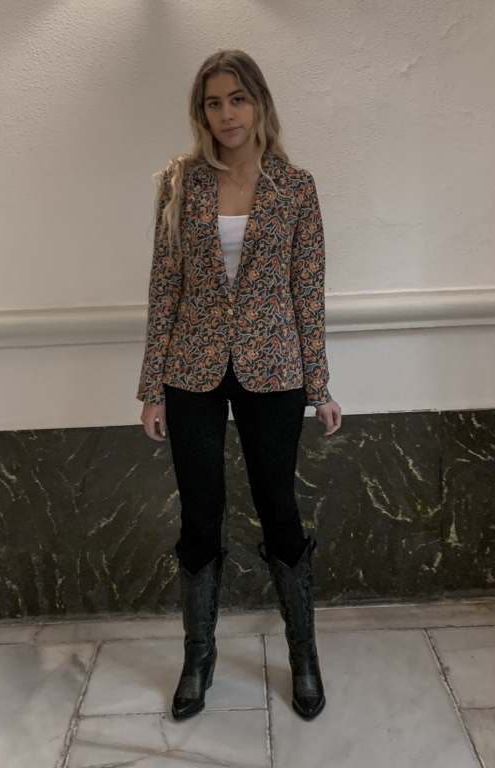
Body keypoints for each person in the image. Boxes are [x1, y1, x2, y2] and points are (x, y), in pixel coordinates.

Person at [137, 49, 342, 723]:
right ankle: (198, 658)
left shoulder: (296, 186)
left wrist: (320, 383)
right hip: (191, 367)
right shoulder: (181, 183)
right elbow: (165, 285)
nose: (226, 113)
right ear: (201, 112)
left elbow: (307, 291)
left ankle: (303, 655)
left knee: (278, 506)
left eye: (237, 99)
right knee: (200, 513)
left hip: (274, 367)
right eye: (213, 102)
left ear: (259, 103)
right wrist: (152, 386)